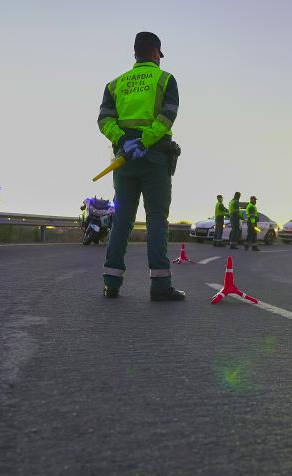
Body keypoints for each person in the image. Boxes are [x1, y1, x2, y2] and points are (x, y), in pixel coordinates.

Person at [96, 31, 185, 301]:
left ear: (135, 53)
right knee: (157, 217)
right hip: (155, 158)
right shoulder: (165, 79)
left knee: (122, 219)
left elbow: (103, 120)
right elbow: (168, 115)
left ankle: (111, 283)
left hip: (124, 160)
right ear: (156, 54)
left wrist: (124, 140)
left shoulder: (115, 84)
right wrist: (145, 141)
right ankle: (159, 286)